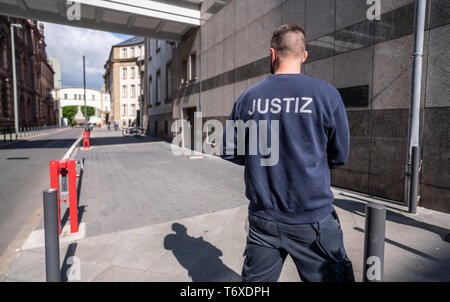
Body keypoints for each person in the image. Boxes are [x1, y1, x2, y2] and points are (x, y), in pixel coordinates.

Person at [221, 24, 354, 282]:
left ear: (273, 54)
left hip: (263, 219)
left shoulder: (247, 98)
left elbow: (230, 150)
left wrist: (261, 159)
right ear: (304, 56)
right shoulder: (326, 95)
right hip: (312, 218)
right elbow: (339, 155)